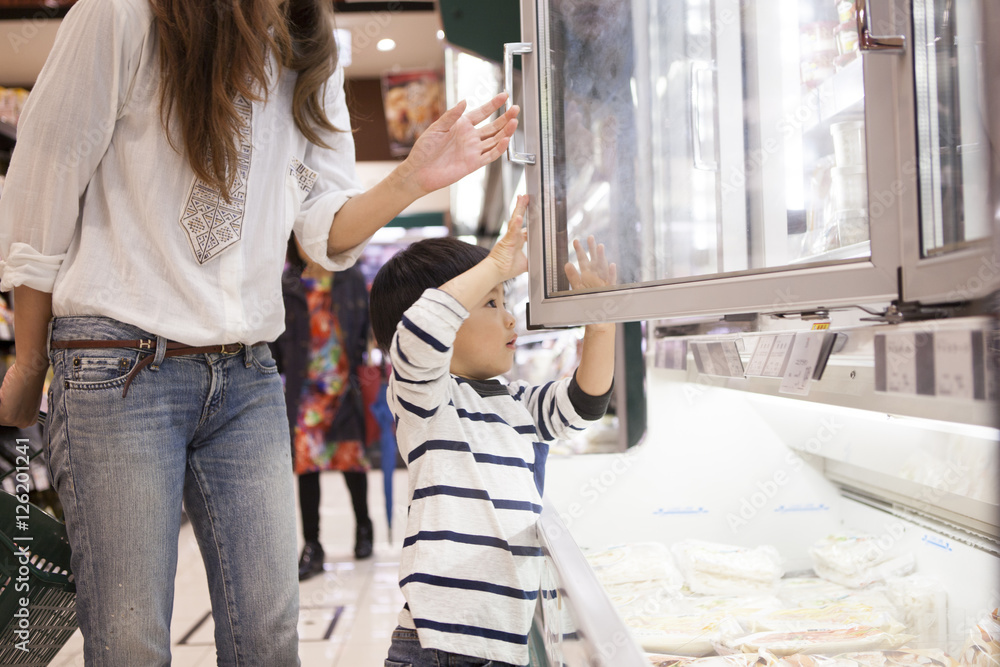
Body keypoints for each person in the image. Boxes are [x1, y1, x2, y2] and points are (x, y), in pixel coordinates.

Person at [0, 0, 518, 663]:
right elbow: (40, 193)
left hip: (246, 372)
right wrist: (29, 360)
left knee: (269, 638)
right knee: (131, 643)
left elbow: (321, 230)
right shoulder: (121, 16)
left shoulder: (306, 41)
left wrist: (411, 179)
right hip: (115, 365)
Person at [369, 196, 617, 667]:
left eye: (505, 300)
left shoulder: (513, 400)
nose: (509, 317)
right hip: (440, 646)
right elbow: (419, 332)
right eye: (490, 302)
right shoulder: (426, 399)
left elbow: (581, 406)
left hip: (501, 641)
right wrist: (496, 262)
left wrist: (600, 324)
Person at [272, 242, 375, 579]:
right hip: (305, 391)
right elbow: (276, 340)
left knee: (351, 461)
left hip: (344, 387)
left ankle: (363, 527)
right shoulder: (287, 285)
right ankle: (312, 545)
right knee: (307, 465)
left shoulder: (348, 277)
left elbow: (364, 326)